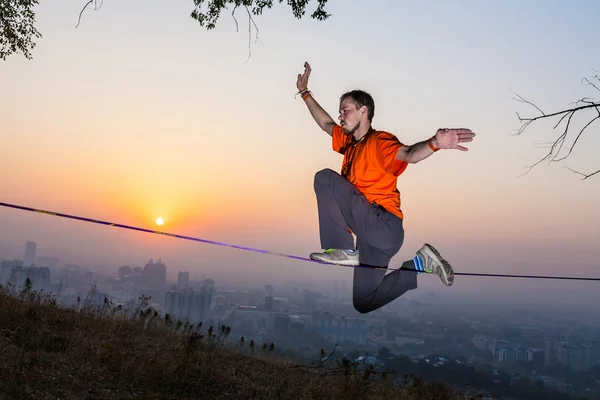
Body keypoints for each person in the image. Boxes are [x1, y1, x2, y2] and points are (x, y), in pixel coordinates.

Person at [296, 62, 476, 314]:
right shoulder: (348, 143)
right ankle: (420, 262)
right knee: (364, 301)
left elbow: (409, 154)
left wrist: (435, 143)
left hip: (383, 224)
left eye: (344, 111)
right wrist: (305, 93)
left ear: (363, 111)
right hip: (374, 240)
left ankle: (341, 248)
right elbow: (326, 124)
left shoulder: (381, 142)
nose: (340, 116)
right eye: (339, 112)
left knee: (324, 178)